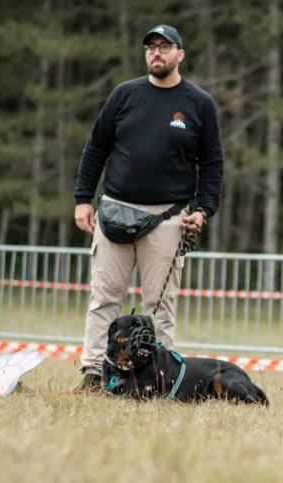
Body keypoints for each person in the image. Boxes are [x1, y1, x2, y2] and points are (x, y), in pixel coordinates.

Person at [72, 24, 224, 391]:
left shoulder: (199, 103)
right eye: (150, 47)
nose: (156, 52)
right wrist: (82, 199)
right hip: (114, 211)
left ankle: (158, 380)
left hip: (168, 218)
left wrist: (204, 210)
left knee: (160, 304)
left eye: (164, 46)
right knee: (104, 299)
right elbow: (95, 148)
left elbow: (212, 164)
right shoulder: (124, 95)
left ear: (180, 54)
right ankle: (94, 375)